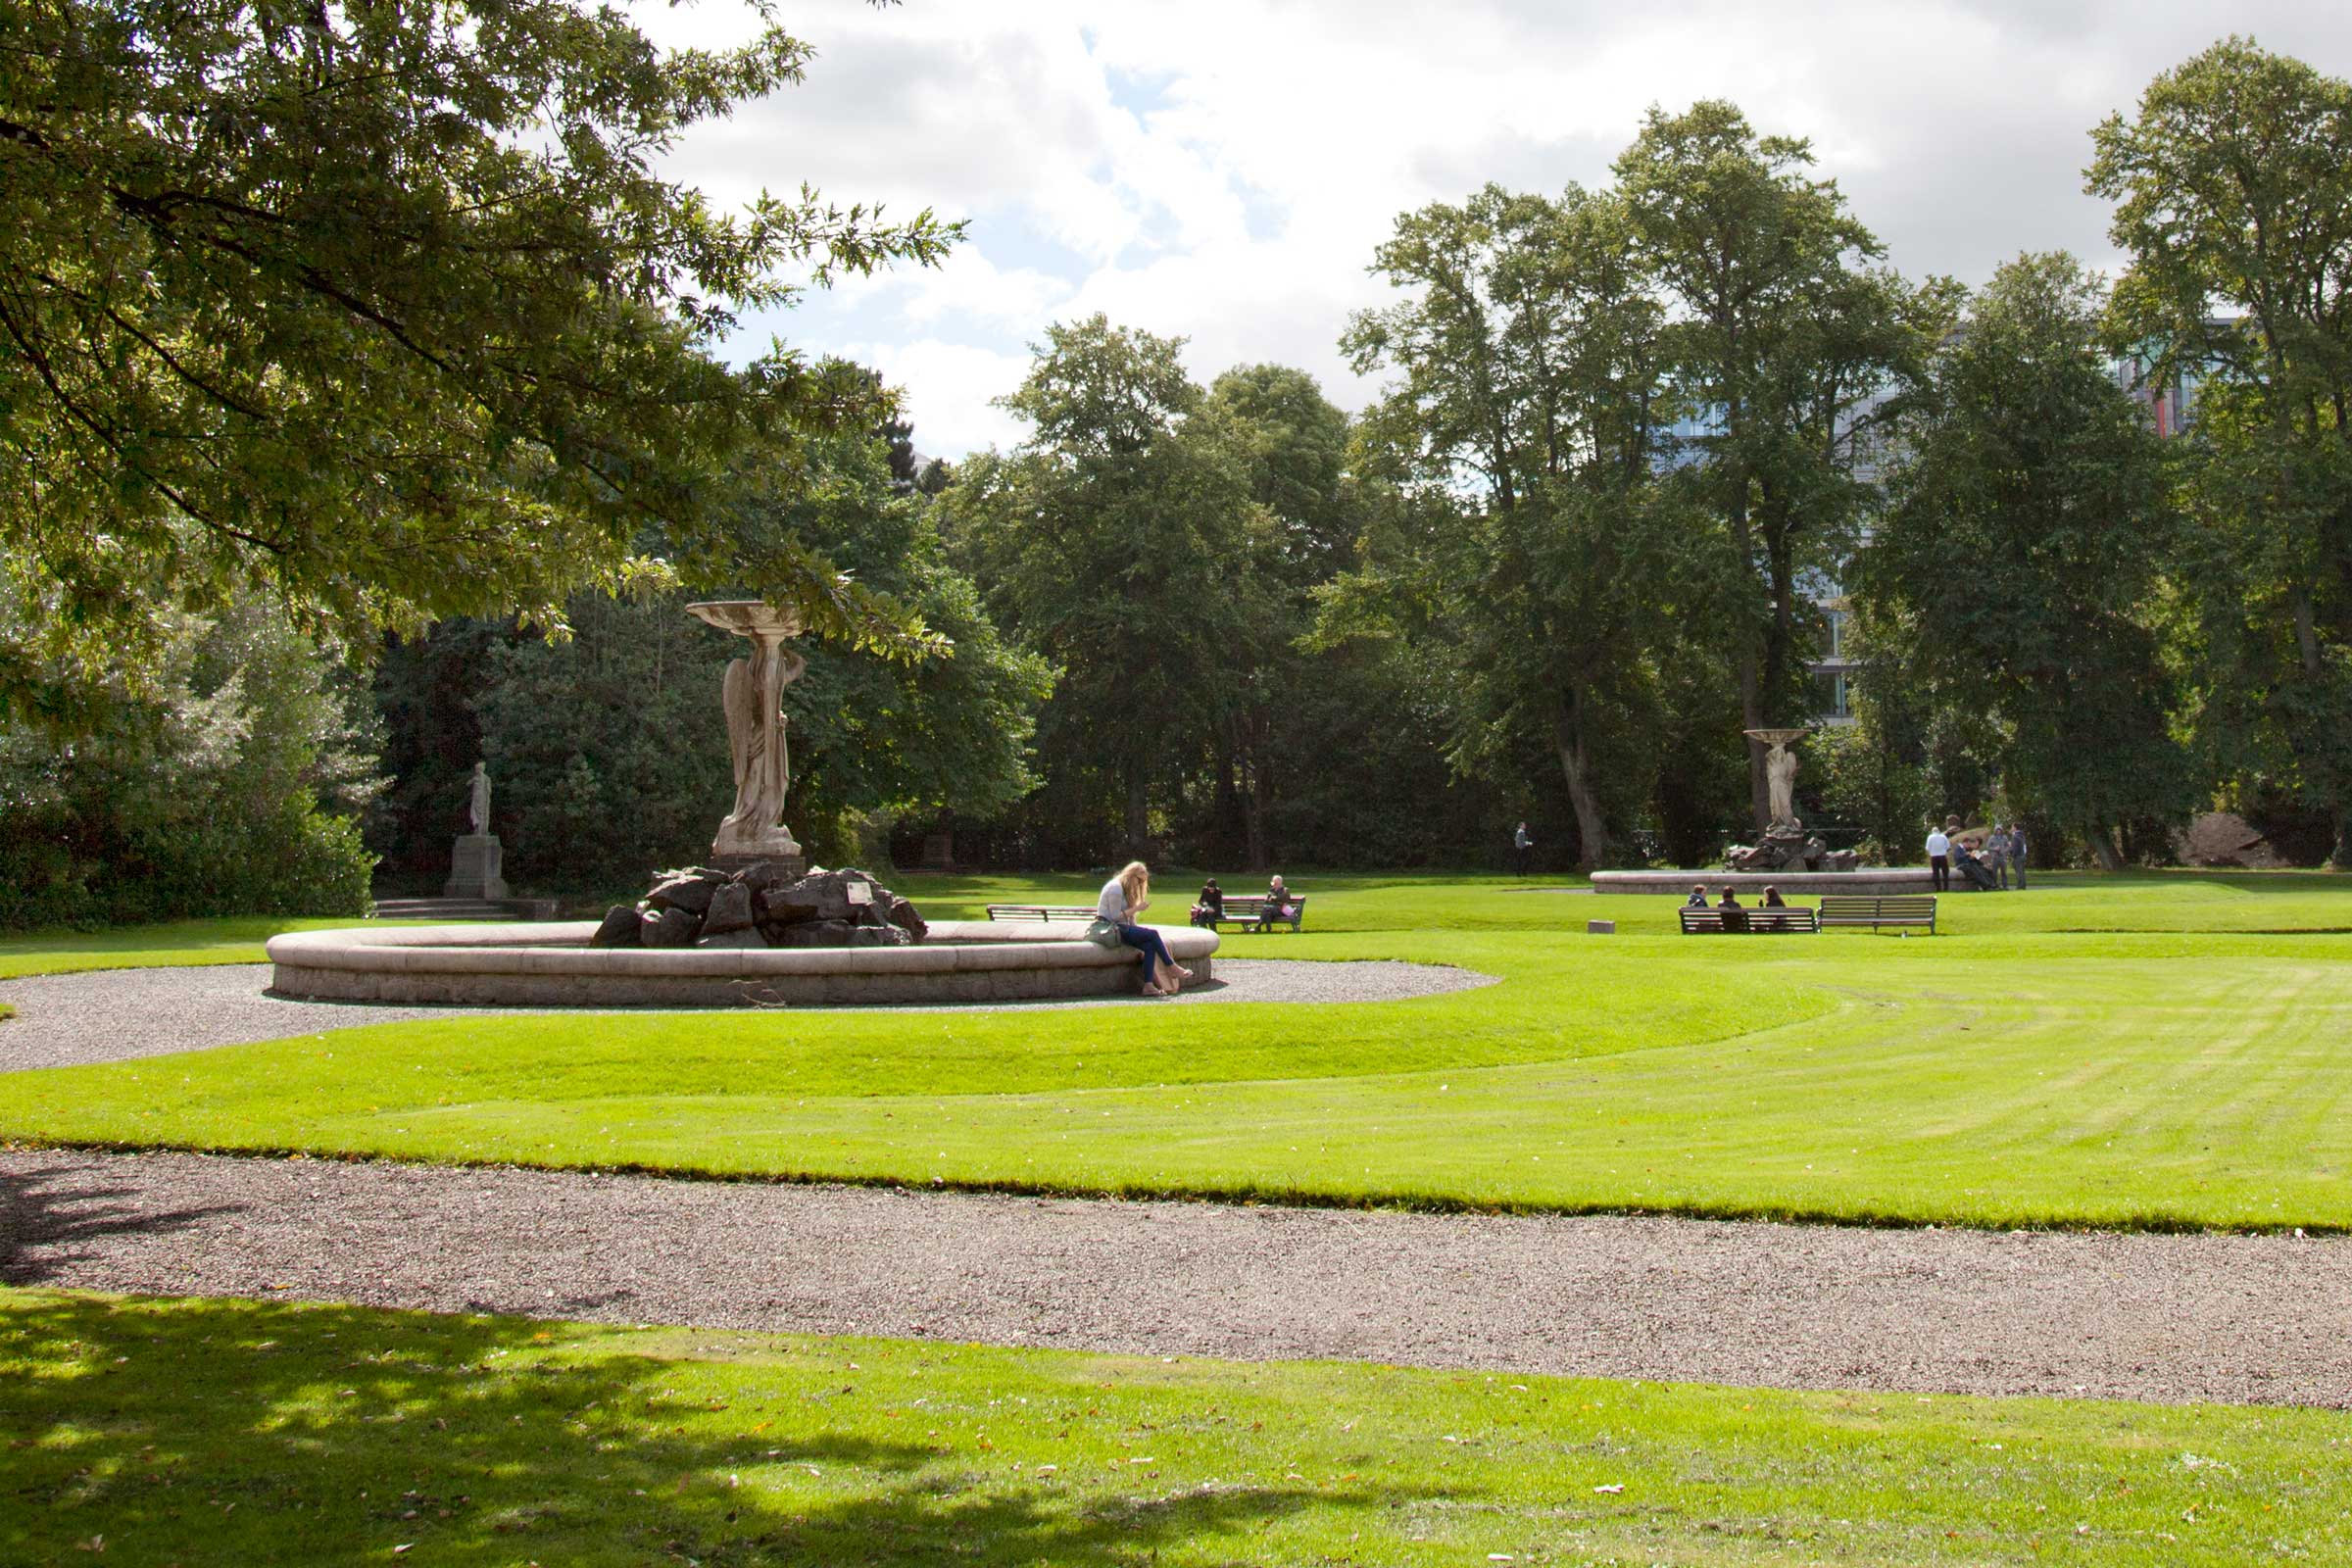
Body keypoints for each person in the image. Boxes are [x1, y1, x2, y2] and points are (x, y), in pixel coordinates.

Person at [1088, 860, 1194, 997]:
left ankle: (1148, 985)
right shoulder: (1115, 888)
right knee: (1153, 934)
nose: (1139, 885)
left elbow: (1130, 921)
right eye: (1139, 881)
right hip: (1109, 928)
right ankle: (1172, 967)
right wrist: (1136, 909)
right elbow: (1114, 917)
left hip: (1121, 929)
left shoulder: (1126, 889)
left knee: (1149, 945)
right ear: (1131, 876)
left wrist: (1138, 931)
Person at [1925, 822, 1951, 893]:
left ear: (1932, 831)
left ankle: (1938, 888)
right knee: (1945, 873)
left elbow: (1927, 848)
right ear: (1939, 831)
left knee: (1936, 873)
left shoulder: (1930, 837)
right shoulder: (1943, 836)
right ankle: (1946, 888)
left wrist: (1932, 851)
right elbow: (1948, 847)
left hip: (1934, 857)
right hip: (1942, 856)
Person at [2010, 823, 2030, 890]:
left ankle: (2020, 886)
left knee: (2019, 872)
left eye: (2012, 827)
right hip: (2023, 855)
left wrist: (2012, 855)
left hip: (2018, 856)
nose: (2011, 828)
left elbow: (2015, 848)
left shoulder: (2015, 836)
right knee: (2022, 872)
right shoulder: (2022, 835)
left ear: (2015, 828)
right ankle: (2023, 885)